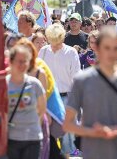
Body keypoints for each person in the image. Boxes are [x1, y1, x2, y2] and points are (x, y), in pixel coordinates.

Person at [62, 27, 117, 159]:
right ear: (97, 48)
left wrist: (116, 131)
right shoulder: (82, 80)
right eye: (106, 47)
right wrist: (92, 132)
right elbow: (68, 123)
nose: (111, 53)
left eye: (115, 48)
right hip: (93, 152)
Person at [40, 23, 81, 157]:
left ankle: (67, 155)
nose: (54, 44)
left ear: (62, 37)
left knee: (67, 134)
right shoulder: (43, 51)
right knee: (49, 131)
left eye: (57, 40)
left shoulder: (71, 52)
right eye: (51, 40)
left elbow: (76, 76)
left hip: (66, 97)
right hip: (47, 98)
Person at [7, 45, 47, 159]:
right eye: (19, 61)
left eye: (25, 61)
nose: (22, 65)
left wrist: (32, 124)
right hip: (12, 139)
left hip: (32, 138)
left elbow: (42, 108)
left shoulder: (35, 84)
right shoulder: (5, 85)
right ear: (11, 62)